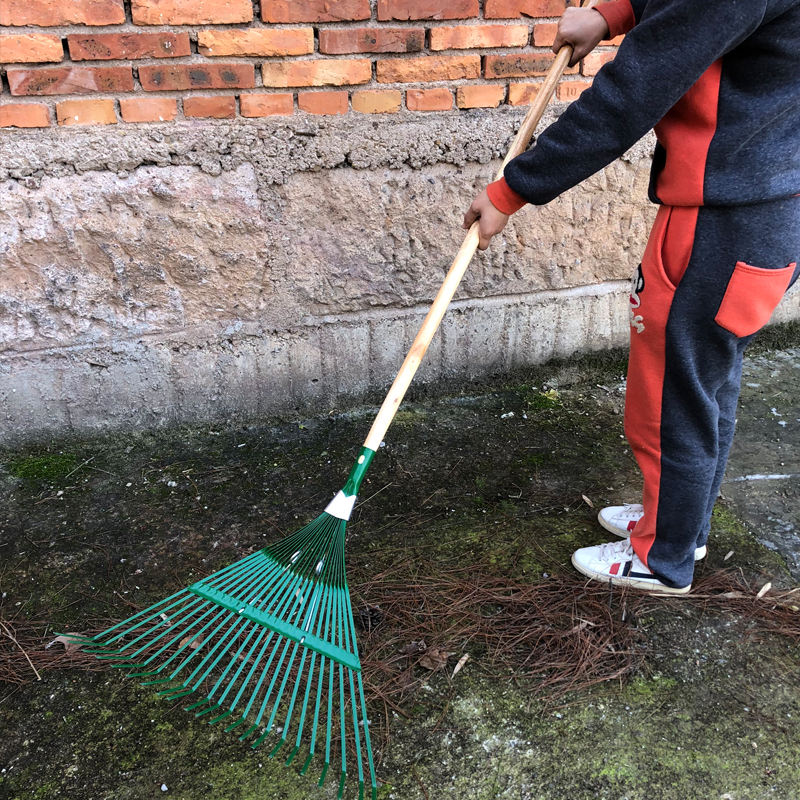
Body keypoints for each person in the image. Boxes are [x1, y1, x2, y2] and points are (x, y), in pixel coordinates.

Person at [464, 0, 800, 594]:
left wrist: (513, 189)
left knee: (670, 390)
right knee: (704, 378)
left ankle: (661, 557)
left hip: (719, 220)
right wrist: (616, 10)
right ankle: (680, 523)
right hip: (770, 201)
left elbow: (636, 89)